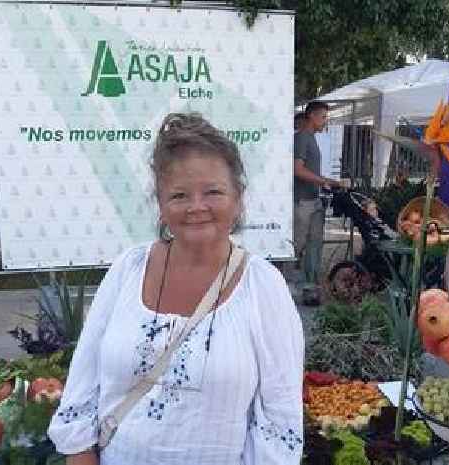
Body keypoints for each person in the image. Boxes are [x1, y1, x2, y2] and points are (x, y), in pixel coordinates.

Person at [48, 113, 304, 465]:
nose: (196, 207)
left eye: (213, 191)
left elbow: (280, 418)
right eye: (179, 195)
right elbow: (83, 382)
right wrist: (79, 454)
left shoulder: (263, 286)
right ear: (161, 203)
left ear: (238, 197)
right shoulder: (128, 270)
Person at [293, 101, 343, 302]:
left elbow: (309, 171)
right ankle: (282, 287)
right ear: (311, 116)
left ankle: (310, 288)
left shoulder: (311, 139)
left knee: (315, 245)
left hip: (314, 200)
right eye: (323, 117)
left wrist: (325, 183)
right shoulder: (302, 138)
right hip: (301, 201)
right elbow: (297, 169)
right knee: (296, 245)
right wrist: (325, 180)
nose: (325, 121)